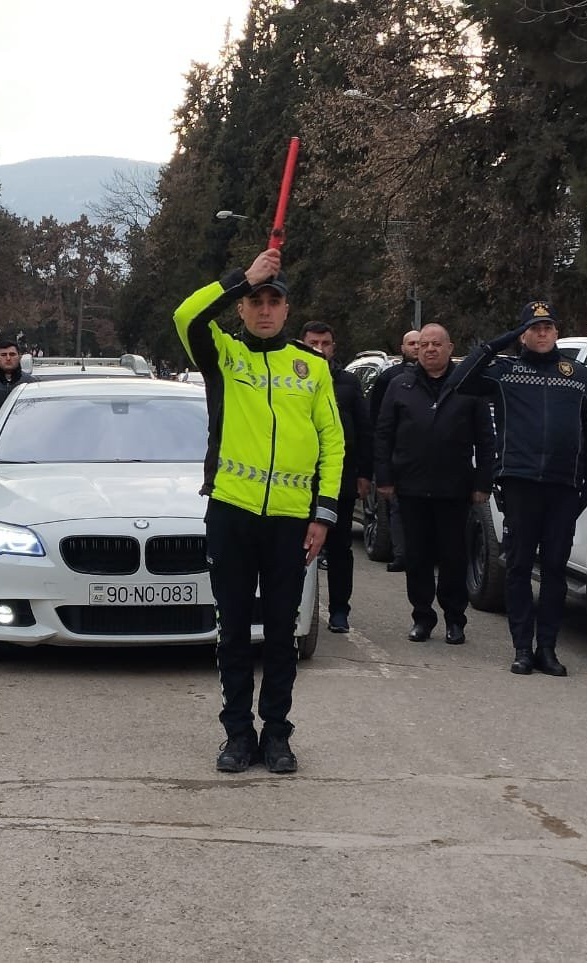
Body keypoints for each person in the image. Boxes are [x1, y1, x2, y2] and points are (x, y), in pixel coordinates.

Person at [174, 248, 344, 774]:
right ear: (241, 309)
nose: (265, 309)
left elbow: (332, 443)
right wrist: (240, 277)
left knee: (280, 632)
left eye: (274, 301)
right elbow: (185, 316)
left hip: (292, 520)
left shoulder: (312, 367)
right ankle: (236, 734)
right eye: (255, 301)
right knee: (231, 632)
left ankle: (277, 734)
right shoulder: (224, 355)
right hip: (231, 511)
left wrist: (324, 513)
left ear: (287, 310)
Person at [445, 301, 587, 675]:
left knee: (554, 569)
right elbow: (458, 382)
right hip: (520, 483)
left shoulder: (577, 374)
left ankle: (546, 648)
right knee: (518, 567)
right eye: (534, 328)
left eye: (548, 326)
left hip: (564, 486)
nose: (543, 332)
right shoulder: (505, 372)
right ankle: (521, 647)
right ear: (523, 334)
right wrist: (496, 344)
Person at [374, 323, 494, 645]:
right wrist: (383, 477)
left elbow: (485, 439)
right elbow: (384, 435)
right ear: (416, 350)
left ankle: (455, 620)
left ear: (450, 348)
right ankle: (422, 618)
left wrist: (484, 481)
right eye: (424, 344)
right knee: (417, 558)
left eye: (436, 344)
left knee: (454, 557)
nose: (429, 349)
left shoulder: (469, 387)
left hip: (454, 490)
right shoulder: (400, 386)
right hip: (411, 489)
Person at [299, 321, 373, 634]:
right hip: (298, 480)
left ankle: (340, 610)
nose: (319, 349)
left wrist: (364, 473)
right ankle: (293, 607)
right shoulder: (290, 380)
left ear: (333, 346)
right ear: (301, 344)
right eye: (313, 343)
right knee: (296, 547)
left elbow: (364, 430)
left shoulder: (348, 383)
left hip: (339, 480)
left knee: (340, 548)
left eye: (325, 343)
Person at [368, 328, 421, 573]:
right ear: (402, 348)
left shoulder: (442, 376)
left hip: (427, 458)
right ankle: (402, 554)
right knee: (398, 507)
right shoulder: (389, 378)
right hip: (397, 455)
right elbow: (378, 419)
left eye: (420, 343)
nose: (417, 348)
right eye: (411, 343)